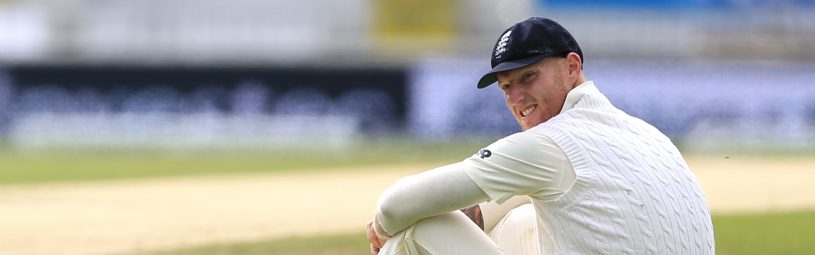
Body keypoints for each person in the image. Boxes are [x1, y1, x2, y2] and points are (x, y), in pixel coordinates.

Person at [366, 17, 715, 255]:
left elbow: (396, 205)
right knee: (524, 218)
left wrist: (382, 229)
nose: (516, 98)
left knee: (418, 228)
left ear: (572, 66)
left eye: (528, 77)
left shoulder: (550, 144)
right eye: (506, 87)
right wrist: (482, 216)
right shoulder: (649, 134)